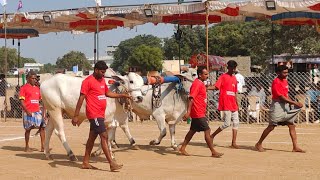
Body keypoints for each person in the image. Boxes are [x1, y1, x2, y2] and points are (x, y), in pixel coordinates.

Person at [71, 61, 130, 171]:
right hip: (94, 114)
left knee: (91, 139)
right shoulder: (87, 81)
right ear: (96, 70)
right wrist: (76, 115)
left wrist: (121, 95)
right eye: (102, 72)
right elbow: (81, 98)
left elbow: (107, 94)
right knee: (104, 136)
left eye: (104, 72)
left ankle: (85, 162)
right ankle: (112, 163)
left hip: (100, 114)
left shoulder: (102, 80)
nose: (103, 74)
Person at [255, 65, 305, 153]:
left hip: (285, 105)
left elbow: (286, 94)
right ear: (278, 73)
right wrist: (294, 103)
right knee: (271, 126)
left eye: (287, 72)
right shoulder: (276, 82)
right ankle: (259, 143)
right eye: (284, 73)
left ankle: (295, 147)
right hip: (278, 105)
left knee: (291, 125)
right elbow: (281, 97)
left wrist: (290, 104)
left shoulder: (285, 80)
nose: (286, 74)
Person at [179, 66, 223, 158]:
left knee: (192, 131)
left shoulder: (200, 83)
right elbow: (191, 98)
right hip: (197, 112)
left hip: (199, 111)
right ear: (200, 75)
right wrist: (188, 112)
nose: (207, 76)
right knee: (207, 130)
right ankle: (213, 151)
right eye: (205, 74)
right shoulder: (197, 84)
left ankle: (182, 148)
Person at [209, 60, 240, 149]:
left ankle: (233, 143)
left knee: (236, 123)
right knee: (227, 124)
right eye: (232, 68)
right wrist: (207, 88)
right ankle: (212, 136)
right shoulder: (223, 77)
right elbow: (216, 86)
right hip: (226, 103)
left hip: (233, 104)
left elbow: (235, 93)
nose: (233, 70)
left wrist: (237, 104)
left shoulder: (234, 78)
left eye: (234, 68)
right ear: (228, 68)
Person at [19, 71, 46, 152]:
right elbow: (21, 101)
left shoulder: (37, 88)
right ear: (28, 79)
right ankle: (27, 147)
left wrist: (44, 113)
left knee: (42, 128)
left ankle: (43, 146)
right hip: (28, 112)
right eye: (33, 78)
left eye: (35, 78)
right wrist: (27, 111)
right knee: (28, 129)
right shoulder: (23, 88)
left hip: (37, 111)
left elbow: (42, 100)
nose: (35, 80)